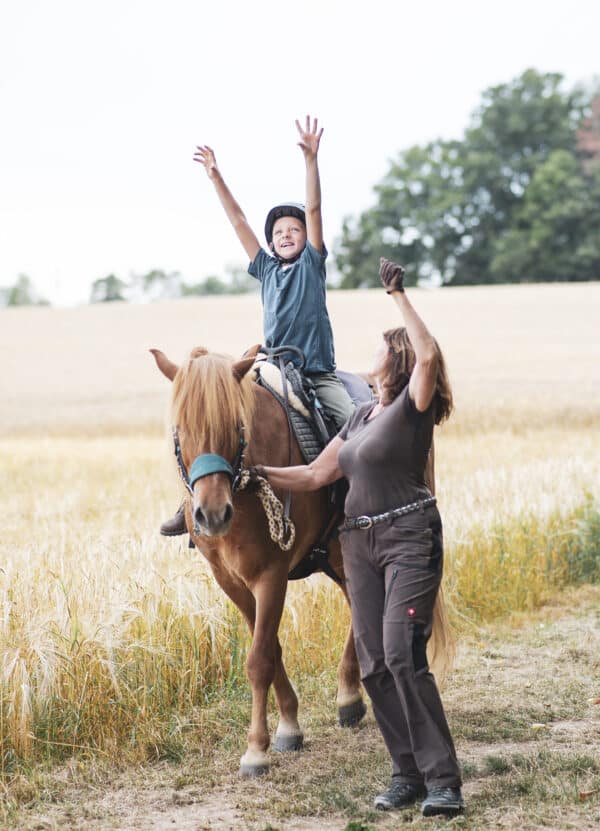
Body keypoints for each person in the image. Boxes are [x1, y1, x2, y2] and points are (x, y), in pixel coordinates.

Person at [251, 258, 464, 818]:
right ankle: (406, 773)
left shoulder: (411, 409)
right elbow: (317, 475)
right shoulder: (362, 416)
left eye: (379, 347)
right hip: (360, 545)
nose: (367, 355)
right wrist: (253, 474)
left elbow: (431, 354)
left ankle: (444, 780)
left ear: (397, 360)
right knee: (372, 665)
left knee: (401, 655)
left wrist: (398, 296)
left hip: (408, 538)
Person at [160, 115, 354, 536]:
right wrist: (216, 177)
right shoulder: (265, 269)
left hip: (315, 373)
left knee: (354, 422)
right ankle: (190, 500)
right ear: (270, 242)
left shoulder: (312, 264)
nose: (286, 234)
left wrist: (311, 162)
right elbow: (238, 221)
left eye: (295, 229)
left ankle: (358, 499)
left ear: (307, 237)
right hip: (272, 367)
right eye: (279, 231)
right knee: (219, 419)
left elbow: (316, 208)